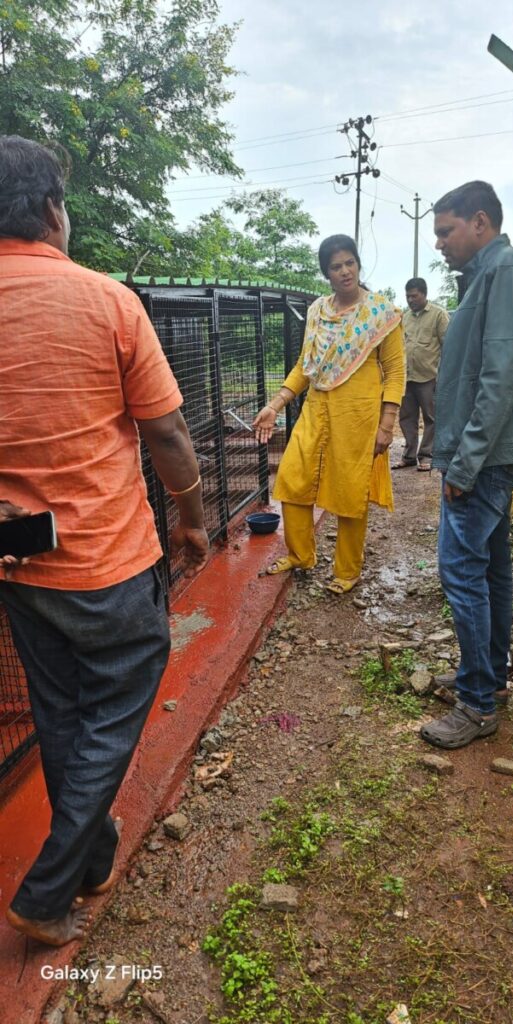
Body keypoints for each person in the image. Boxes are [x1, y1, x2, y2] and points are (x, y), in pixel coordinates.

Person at [0, 135, 210, 946]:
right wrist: (191, 517)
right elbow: (169, 434)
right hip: (107, 560)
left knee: (60, 715)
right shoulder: (107, 300)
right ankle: (48, 892)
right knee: (119, 700)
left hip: (19, 561)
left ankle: (91, 861)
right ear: (53, 210)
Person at [420, 180, 513, 750]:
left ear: (481, 222)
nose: (440, 244)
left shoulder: (505, 271)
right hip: (491, 450)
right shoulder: (492, 274)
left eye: (445, 231)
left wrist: (465, 462)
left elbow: (499, 377)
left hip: (485, 454)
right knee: (491, 567)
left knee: (460, 570)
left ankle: (477, 702)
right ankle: (492, 682)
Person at [253, 234, 405, 594]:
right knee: (292, 481)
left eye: (349, 262)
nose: (344, 271)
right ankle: (300, 556)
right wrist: (275, 405)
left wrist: (387, 426)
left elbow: (396, 372)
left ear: (358, 264)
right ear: (327, 273)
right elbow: (306, 367)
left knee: (350, 495)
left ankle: (347, 571)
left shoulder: (382, 313)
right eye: (336, 266)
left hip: (358, 416)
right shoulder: (317, 311)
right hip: (316, 409)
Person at [393, 277, 449, 471]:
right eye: (407, 296)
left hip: (428, 376)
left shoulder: (438, 315)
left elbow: (448, 346)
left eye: (414, 296)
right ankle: (408, 456)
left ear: (424, 294)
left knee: (431, 417)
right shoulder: (404, 317)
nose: (410, 300)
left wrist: (443, 376)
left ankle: (426, 455)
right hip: (407, 376)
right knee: (406, 417)